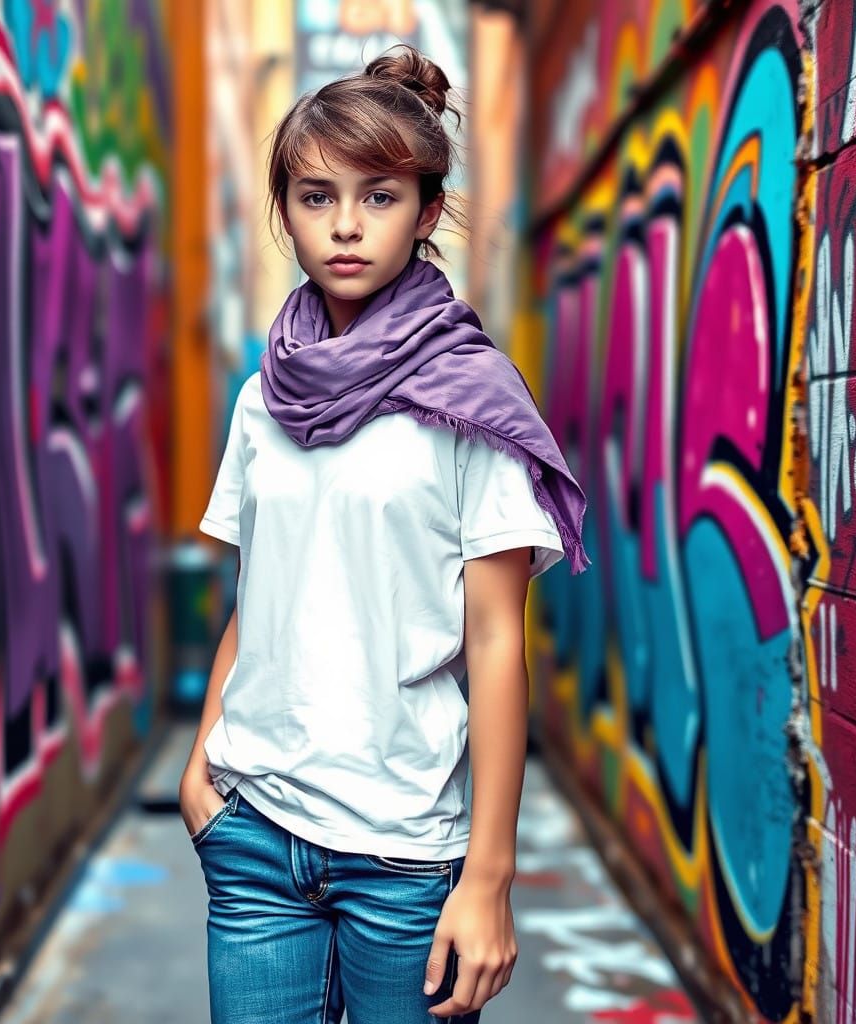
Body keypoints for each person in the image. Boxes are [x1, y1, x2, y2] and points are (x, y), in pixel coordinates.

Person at [178, 43, 588, 1024]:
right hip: (253, 839)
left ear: (427, 210)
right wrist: (202, 773)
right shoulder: (260, 401)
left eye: (380, 195)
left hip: (406, 859)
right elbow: (258, 598)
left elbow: (494, 644)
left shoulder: (468, 399)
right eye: (316, 197)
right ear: (285, 212)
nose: (347, 225)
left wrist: (486, 877)